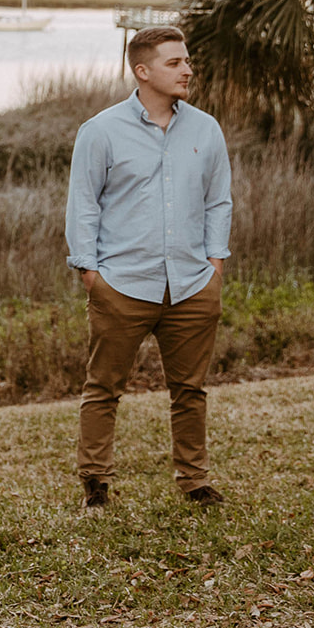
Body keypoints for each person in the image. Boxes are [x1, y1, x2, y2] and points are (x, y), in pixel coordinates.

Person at [65, 25, 232, 510]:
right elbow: (83, 206)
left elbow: (219, 201)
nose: (188, 70)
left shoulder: (206, 129)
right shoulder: (100, 131)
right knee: (103, 389)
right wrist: (91, 273)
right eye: (175, 63)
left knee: (191, 390)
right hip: (122, 284)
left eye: (187, 61)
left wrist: (215, 264)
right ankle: (96, 484)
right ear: (143, 71)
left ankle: (195, 481)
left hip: (193, 284)